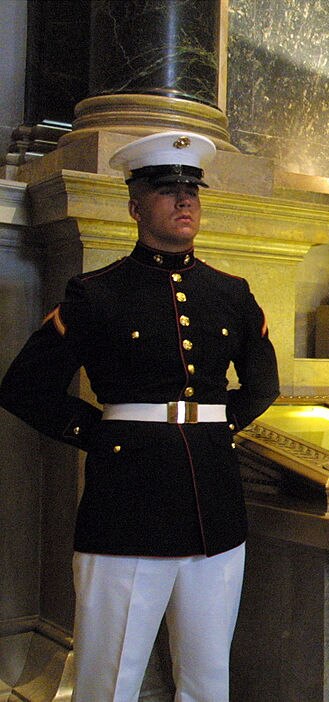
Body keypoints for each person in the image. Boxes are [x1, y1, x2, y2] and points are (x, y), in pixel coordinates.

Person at [0, 131, 280, 700]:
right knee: (109, 680)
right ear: (134, 206)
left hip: (215, 510)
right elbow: (25, 387)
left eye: (191, 192)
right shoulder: (96, 294)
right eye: (165, 190)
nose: (184, 202)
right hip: (126, 504)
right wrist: (102, 436)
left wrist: (216, 427)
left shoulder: (231, 294)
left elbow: (263, 382)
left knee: (207, 680)